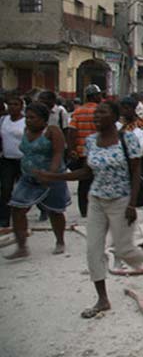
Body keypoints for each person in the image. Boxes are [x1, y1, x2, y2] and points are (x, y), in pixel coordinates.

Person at [35, 100, 143, 317]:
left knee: (123, 250)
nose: (96, 117)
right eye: (96, 114)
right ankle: (102, 299)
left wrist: (132, 204)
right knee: (93, 249)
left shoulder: (127, 139)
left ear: (114, 117)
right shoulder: (91, 141)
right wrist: (55, 177)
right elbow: (87, 172)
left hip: (121, 200)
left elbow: (136, 172)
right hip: (96, 200)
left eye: (102, 113)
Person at [4, 102, 70, 258]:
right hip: (28, 178)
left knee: (55, 211)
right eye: (27, 117)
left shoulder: (52, 131)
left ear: (43, 119)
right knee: (17, 208)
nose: (28, 120)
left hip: (51, 178)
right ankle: (22, 247)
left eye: (32, 118)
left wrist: (50, 174)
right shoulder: (26, 131)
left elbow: (58, 154)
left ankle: (60, 241)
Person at [120, 96, 143, 221]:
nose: (124, 111)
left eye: (127, 108)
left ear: (133, 109)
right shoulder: (120, 125)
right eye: (122, 108)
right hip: (124, 158)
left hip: (140, 158)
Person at [66, 84, 102, 218]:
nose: (100, 97)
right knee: (99, 180)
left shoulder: (78, 112)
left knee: (84, 182)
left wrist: (72, 149)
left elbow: (71, 132)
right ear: (95, 96)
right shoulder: (101, 111)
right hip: (99, 152)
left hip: (82, 152)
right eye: (99, 95)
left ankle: (84, 210)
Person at [0, 95, 25, 229]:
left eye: (16, 104)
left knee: (26, 189)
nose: (12, 107)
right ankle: (4, 218)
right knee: (6, 189)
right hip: (7, 160)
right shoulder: (3, 120)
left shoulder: (26, 121)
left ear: (21, 107)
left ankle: (42, 209)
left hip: (23, 160)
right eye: (10, 104)